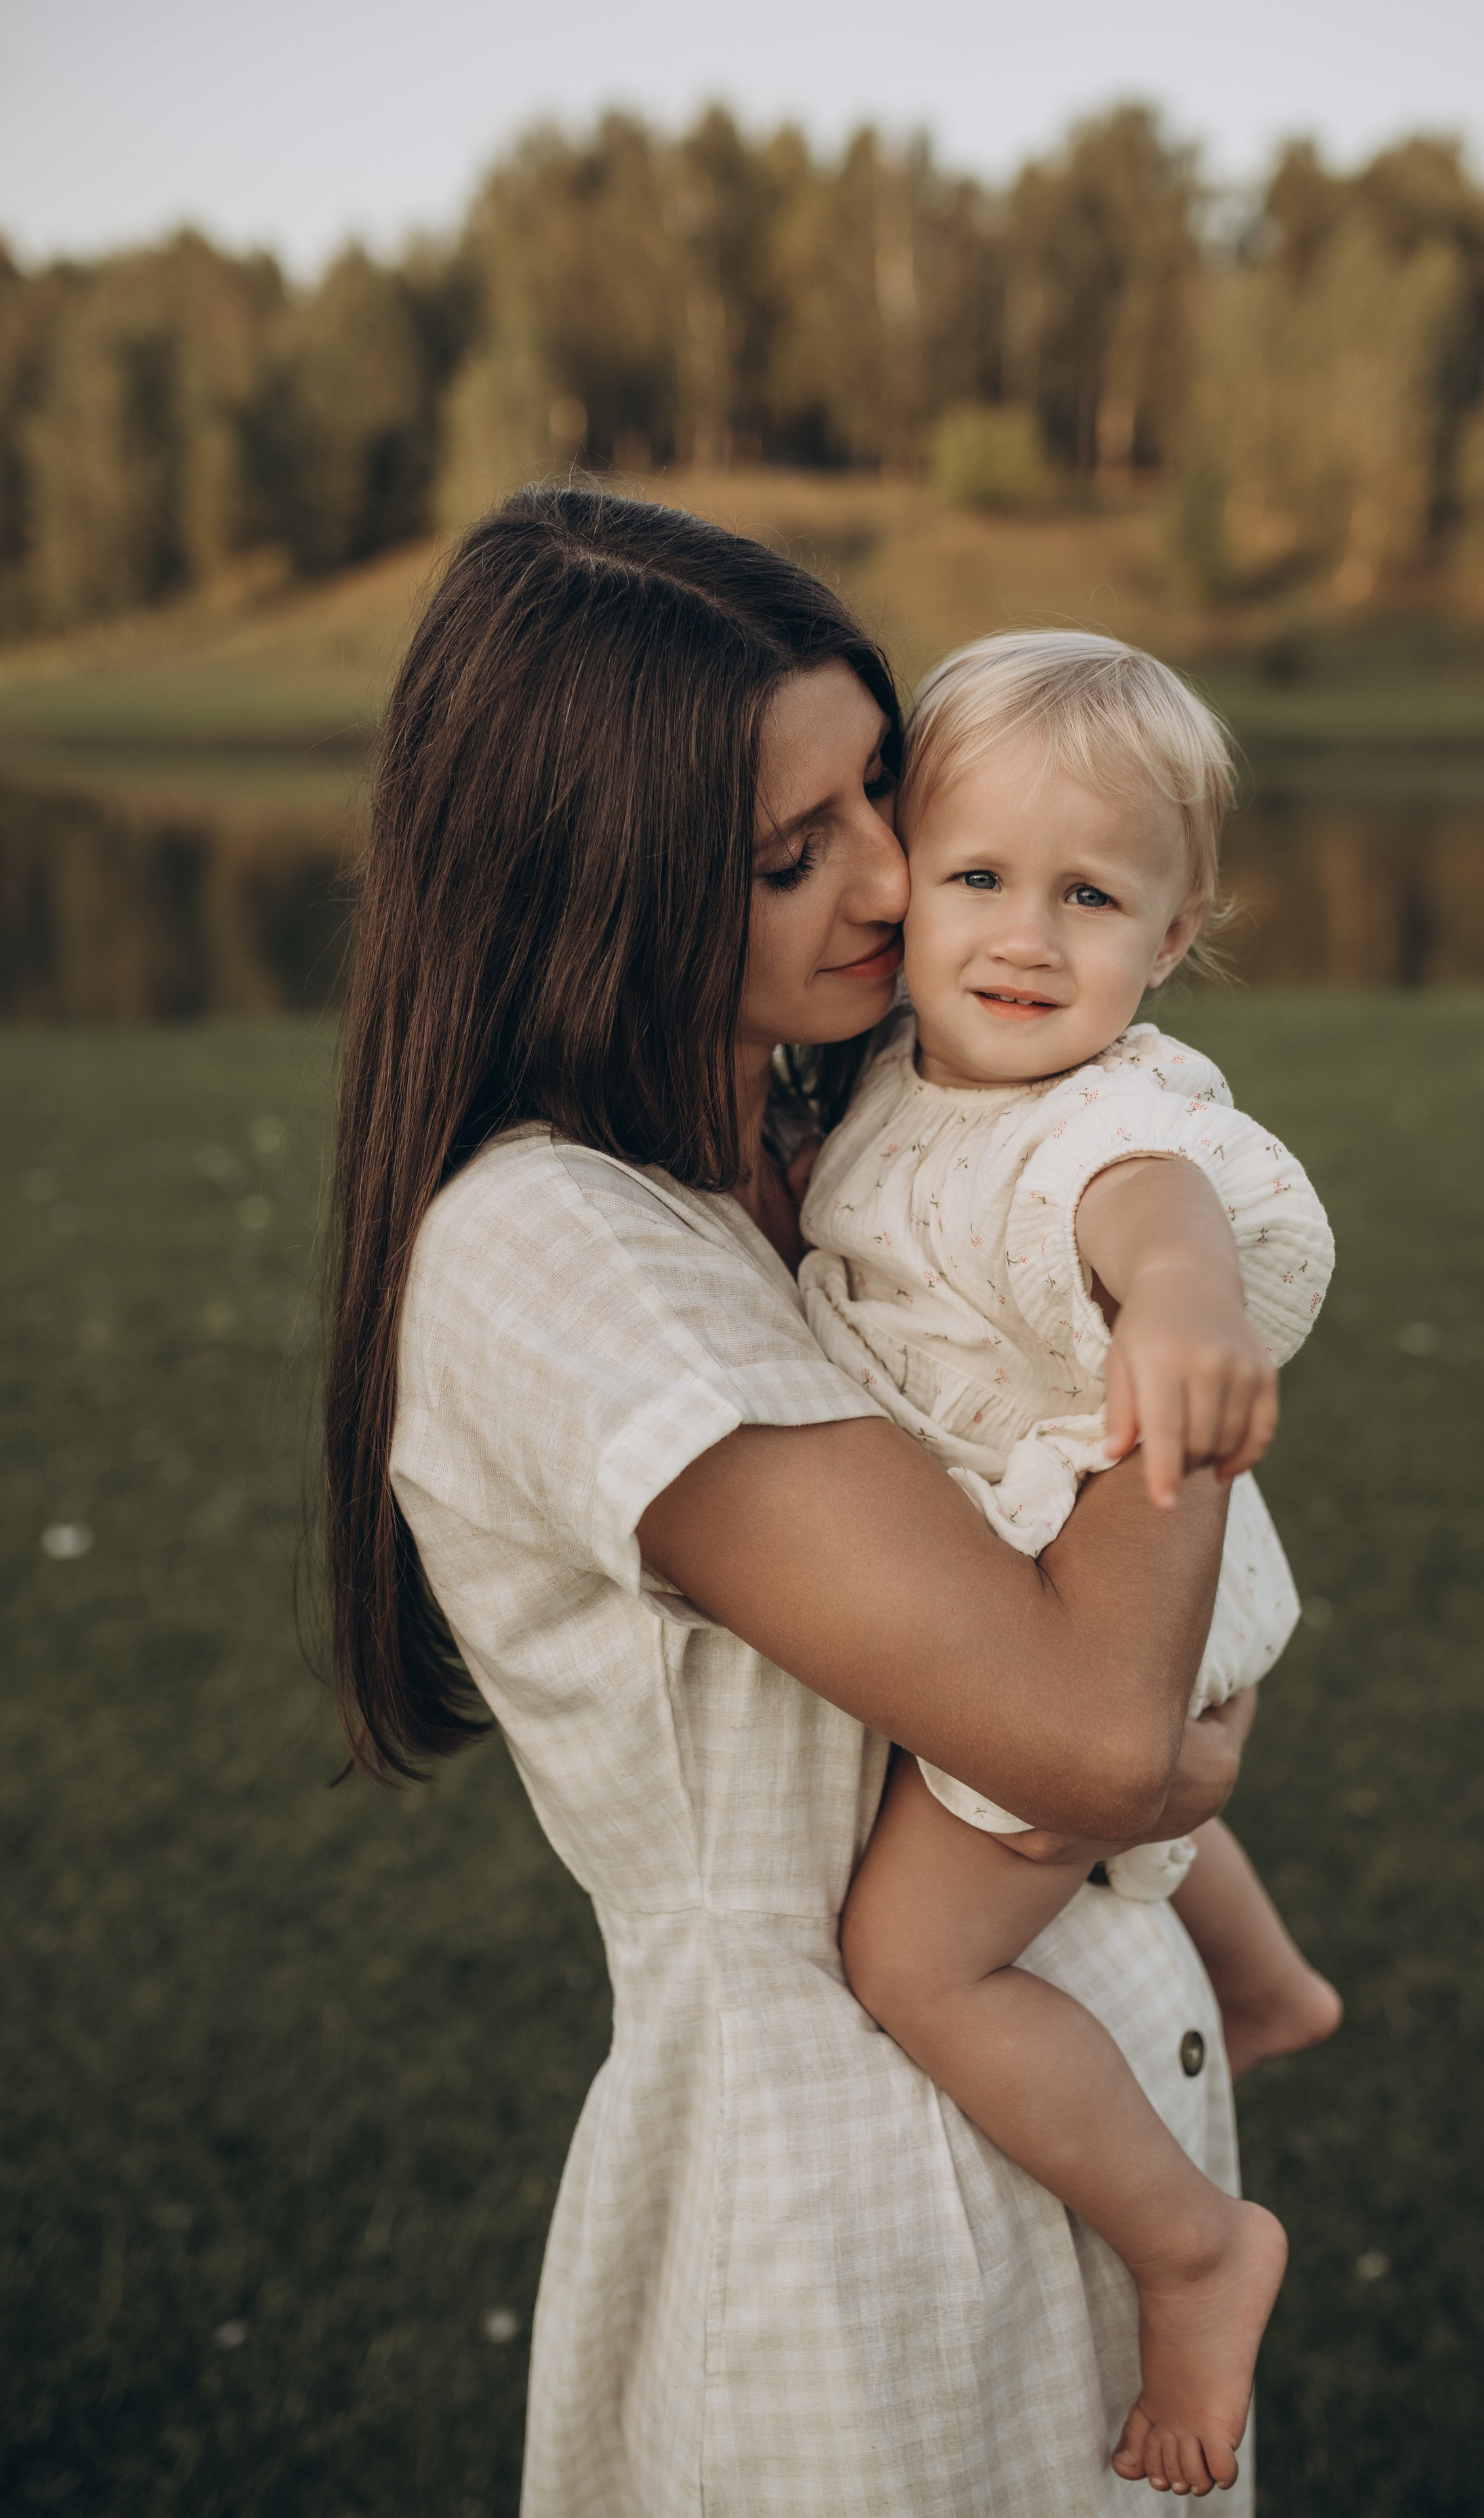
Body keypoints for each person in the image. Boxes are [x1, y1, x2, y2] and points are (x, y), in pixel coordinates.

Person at [323, 485, 1260, 2518]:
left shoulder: (832, 1115)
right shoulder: (551, 1250)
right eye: (786, 851)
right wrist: (1181, 1723)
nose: (892, 882)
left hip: (1081, 2090)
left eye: (882, 799)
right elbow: (1103, 1731)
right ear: (593, 885)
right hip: (855, 2203)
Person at [803, 630, 1343, 2498]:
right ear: (904, 888)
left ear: (1175, 938)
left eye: (1091, 896)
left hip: (1092, 1576)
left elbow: (1153, 1204)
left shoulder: (1094, 1117)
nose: (1026, 939)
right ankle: (1266, 1982)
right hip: (1110, 1589)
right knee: (1160, 1796)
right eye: (978, 879)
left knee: (917, 1957)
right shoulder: (899, 1069)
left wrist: (1184, 1304)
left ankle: (1197, 2245)